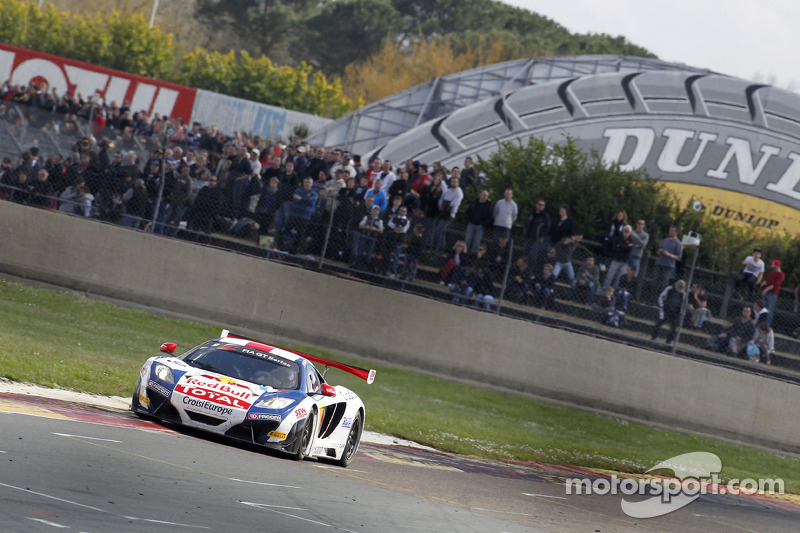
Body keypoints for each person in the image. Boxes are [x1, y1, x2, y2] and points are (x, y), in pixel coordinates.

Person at [433, 176, 463, 254]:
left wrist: (445, 204)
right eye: (452, 181)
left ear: (458, 183)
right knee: (442, 232)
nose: (453, 183)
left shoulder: (459, 192)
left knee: (439, 230)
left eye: (455, 182)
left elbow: (454, 203)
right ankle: (440, 249)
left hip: (449, 214)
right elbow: (443, 198)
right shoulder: (449, 191)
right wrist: (441, 203)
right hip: (443, 213)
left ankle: (437, 250)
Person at [652, 225, 683, 302]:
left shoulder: (678, 243)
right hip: (660, 263)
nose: (671, 232)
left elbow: (678, 257)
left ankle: (661, 300)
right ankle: (652, 299)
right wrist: (659, 252)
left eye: (672, 230)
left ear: (676, 232)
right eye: (670, 230)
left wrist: (669, 254)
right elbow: (659, 250)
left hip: (668, 266)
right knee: (655, 282)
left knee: (664, 284)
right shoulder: (665, 240)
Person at [650, 279, 686, 344]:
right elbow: (661, 296)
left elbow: (683, 303)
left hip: (675, 312)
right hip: (666, 309)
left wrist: (681, 312)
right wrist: (660, 306)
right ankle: (653, 337)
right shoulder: (669, 289)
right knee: (659, 323)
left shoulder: (683, 293)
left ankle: (668, 341)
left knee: (673, 327)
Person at [602, 224, 635, 291]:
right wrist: (625, 247)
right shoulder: (617, 238)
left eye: (627, 231)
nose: (626, 232)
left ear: (630, 232)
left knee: (620, 278)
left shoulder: (631, 240)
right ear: (623, 230)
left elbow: (629, 249)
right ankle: (604, 290)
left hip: (625, 262)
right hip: (616, 260)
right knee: (609, 276)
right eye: (625, 230)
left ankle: (613, 292)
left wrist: (621, 246)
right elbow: (615, 248)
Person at [523, 199, 550, 273]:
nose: (541, 206)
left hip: (537, 239)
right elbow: (527, 223)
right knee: (525, 255)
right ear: (536, 205)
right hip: (528, 237)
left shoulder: (545, 216)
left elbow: (547, 228)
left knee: (532, 256)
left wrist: (541, 234)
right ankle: (522, 270)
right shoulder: (532, 214)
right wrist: (525, 232)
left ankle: (529, 272)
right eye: (539, 204)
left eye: (542, 205)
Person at [463, 189, 493, 254]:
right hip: (471, 224)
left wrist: (484, 224)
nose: (484, 196)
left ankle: (473, 257)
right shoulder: (474, 203)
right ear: (480, 195)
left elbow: (490, 217)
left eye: (486, 195)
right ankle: (464, 255)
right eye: (483, 195)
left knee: (477, 243)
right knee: (467, 241)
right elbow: (467, 211)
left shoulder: (488, 206)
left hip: (480, 226)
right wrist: (468, 220)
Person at [760, 259, 784, 326]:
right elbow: (768, 280)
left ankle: (767, 325)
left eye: (774, 267)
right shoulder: (772, 273)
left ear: (778, 266)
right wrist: (763, 283)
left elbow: (776, 284)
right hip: (766, 292)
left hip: (773, 294)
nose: (773, 268)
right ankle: (761, 322)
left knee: (770, 310)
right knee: (763, 308)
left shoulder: (781, 274)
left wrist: (766, 289)